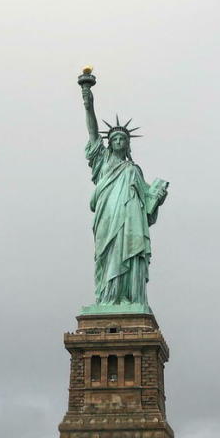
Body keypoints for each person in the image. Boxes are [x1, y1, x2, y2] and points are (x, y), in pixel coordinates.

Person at [80, 76, 169, 308]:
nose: (119, 141)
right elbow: (92, 132)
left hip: (130, 221)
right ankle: (108, 298)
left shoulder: (133, 170)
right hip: (108, 217)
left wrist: (157, 196)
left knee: (127, 253)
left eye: (123, 139)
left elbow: (148, 203)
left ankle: (129, 298)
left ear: (128, 144)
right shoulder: (103, 161)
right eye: (115, 138)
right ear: (109, 143)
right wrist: (88, 104)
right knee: (107, 255)